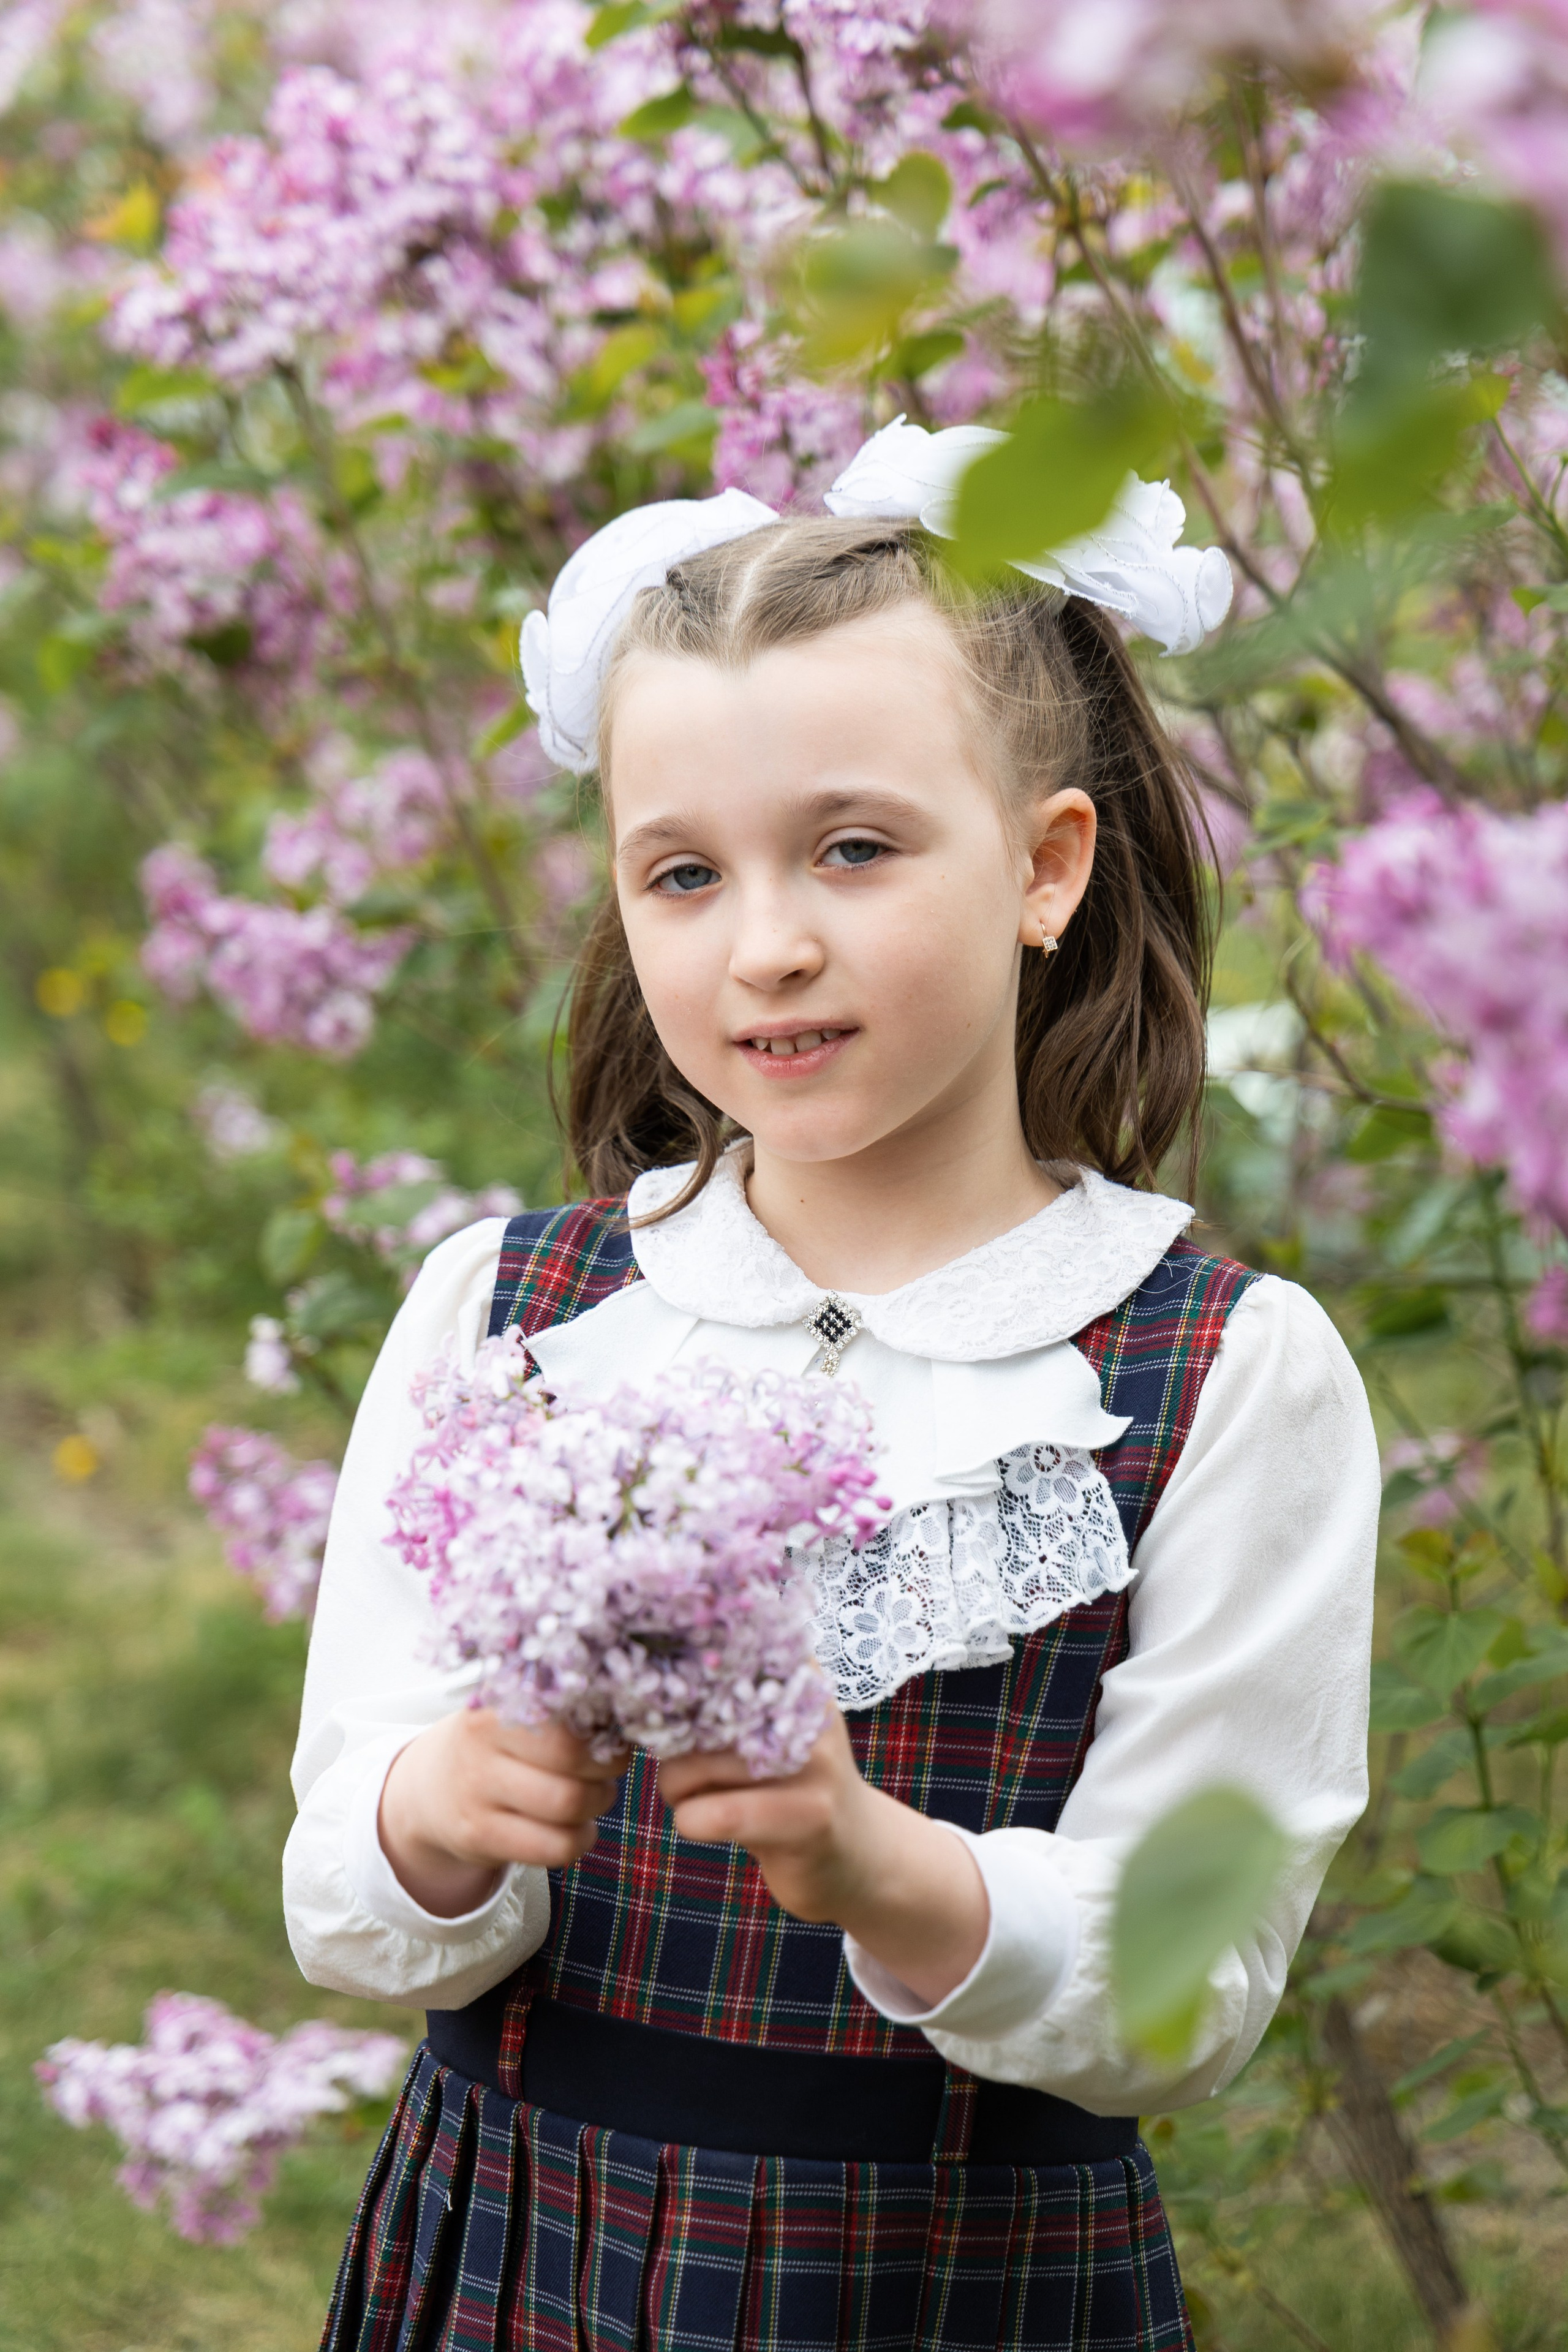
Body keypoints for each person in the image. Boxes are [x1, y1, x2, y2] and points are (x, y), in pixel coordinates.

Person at [285, 420, 1378, 2352]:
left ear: (1046, 866)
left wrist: (877, 1865)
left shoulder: (1217, 1371)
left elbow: (1187, 1991)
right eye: (683, 874)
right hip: (523, 2247)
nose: (769, 946)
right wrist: (440, 1810)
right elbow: (341, 1882)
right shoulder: (513, 1313)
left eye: (855, 850)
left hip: (954, 2284)